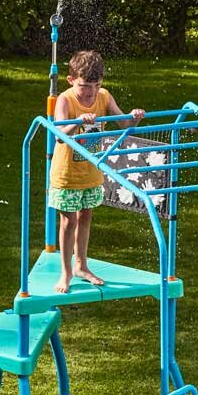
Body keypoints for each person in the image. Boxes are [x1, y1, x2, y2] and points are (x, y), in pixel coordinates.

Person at [49, 50, 145, 293]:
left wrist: (134, 117)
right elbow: (58, 135)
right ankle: (66, 272)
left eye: (96, 85)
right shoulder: (65, 100)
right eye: (84, 86)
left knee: (86, 216)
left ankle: (81, 266)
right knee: (68, 221)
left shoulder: (104, 96)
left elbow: (124, 123)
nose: (90, 92)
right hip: (67, 173)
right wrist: (79, 121)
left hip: (92, 170)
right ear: (71, 80)